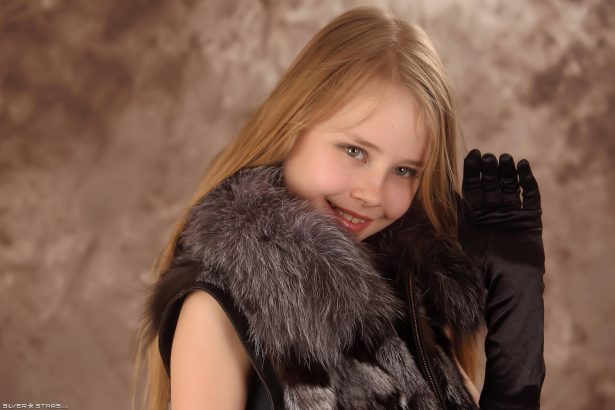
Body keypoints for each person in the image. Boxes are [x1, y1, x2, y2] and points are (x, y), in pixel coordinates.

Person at [131, 6, 545, 410]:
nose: (373, 194)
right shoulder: (217, 312)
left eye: (404, 170)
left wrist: (517, 316)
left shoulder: (408, 305)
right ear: (291, 126)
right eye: (354, 151)